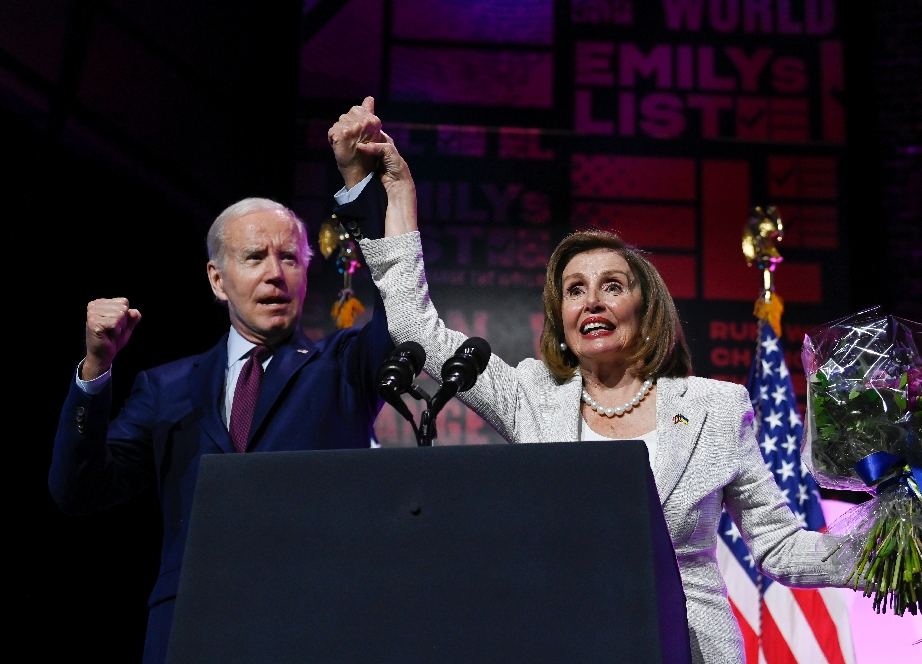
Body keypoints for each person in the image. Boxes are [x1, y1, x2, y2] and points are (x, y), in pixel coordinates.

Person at [351, 115, 848, 664]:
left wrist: (890, 548)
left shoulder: (717, 408)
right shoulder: (531, 396)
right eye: (574, 291)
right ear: (560, 316)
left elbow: (780, 546)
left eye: (612, 286)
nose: (591, 302)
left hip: (688, 649)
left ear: (645, 306)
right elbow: (417, 330)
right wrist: (399, 194)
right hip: (569, 641)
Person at [49, 98, 394, 663]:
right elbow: (77, 489)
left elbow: (398, 308)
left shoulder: (342, 366)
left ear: (308, 273)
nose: (274, 274)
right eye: (255, 257)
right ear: (217, 278)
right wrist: (95, 370)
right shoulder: (166, 387)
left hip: (317, 628)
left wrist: (358, 186)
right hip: (190, 630)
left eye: (290, 258)